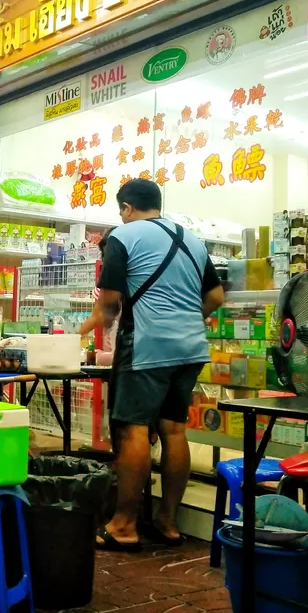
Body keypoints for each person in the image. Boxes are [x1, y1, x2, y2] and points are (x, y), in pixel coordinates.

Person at [95, 180, 225, 552]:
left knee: (133, 431)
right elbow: (215, 296)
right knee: (173, 430)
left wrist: (99, 336)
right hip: (190, 348)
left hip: (147, 348)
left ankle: (123, 525)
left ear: (126, 207)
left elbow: (110, 301)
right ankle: (167, 521)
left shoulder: (124, 235)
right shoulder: (193, 239)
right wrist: (185, 321)